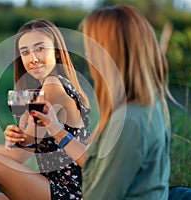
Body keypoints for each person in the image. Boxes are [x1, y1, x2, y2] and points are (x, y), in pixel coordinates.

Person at [32, 4, 174, 199]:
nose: (88, 56)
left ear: (110, 55)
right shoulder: (149, 106)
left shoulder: (127, 123)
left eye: (92, 48)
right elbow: (97, 164)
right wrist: (55, 128)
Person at [0, 18, 90, 200]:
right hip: (55, 187)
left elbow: (17, 156)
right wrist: (16, 133)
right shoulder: (46, 89)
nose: (33, 59)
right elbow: (22, 149)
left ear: (56, 52)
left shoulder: (52, 87)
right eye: (25, 52)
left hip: (71, 194)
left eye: (40, 49)